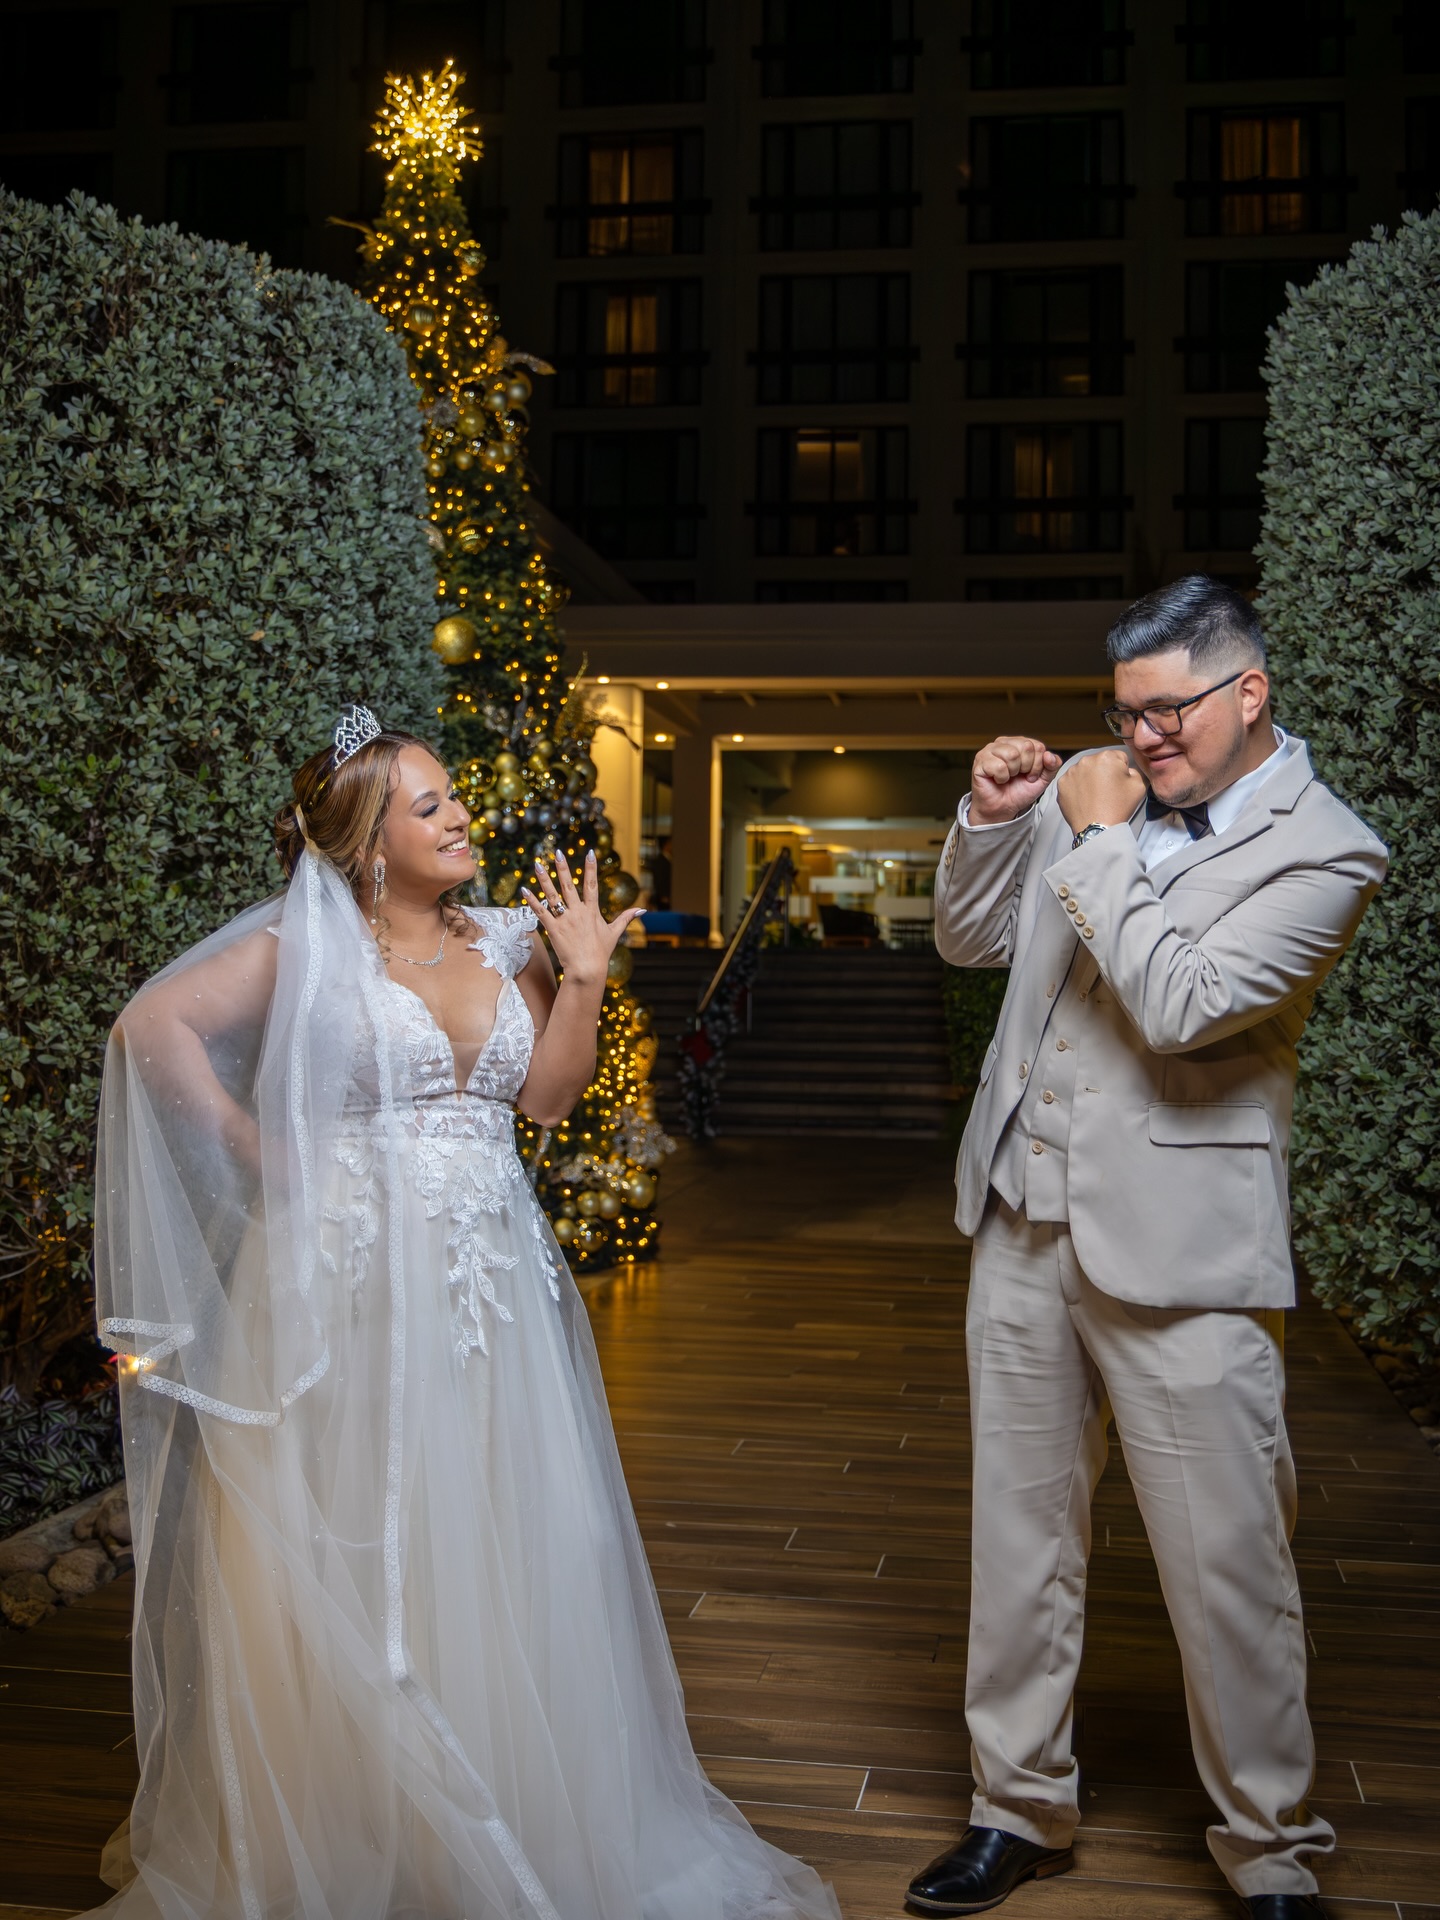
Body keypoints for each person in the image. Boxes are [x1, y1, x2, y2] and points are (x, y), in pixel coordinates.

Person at [94, 705, 839, 1920]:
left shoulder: (506, 937)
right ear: (368, 843)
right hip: (339, 1283)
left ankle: (502, 1802)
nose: (459, 817)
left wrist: (585, 977)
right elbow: (151, 1026)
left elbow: (545, 1100)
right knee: (352, 1529)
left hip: (490, 1282)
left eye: (454, 798)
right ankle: (349, 1828)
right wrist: (255, 1149)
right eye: (430, 805)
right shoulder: (303, 945)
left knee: (503, 1528)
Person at [908, 579, 1386, 1920]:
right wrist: (995, 826)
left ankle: (1271, 1849)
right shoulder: (1099, 795)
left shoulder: (1328, 852)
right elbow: (968, 938)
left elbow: (1181, 1009)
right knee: (1019, 1541)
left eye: (1165, 710)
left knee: (1229, 1559)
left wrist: (1103, 839)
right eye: (1121, 713)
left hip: (1184, 1251)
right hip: (1020, 1219)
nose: (1140, 739)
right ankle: (1018, 1806)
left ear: (1250, 692)